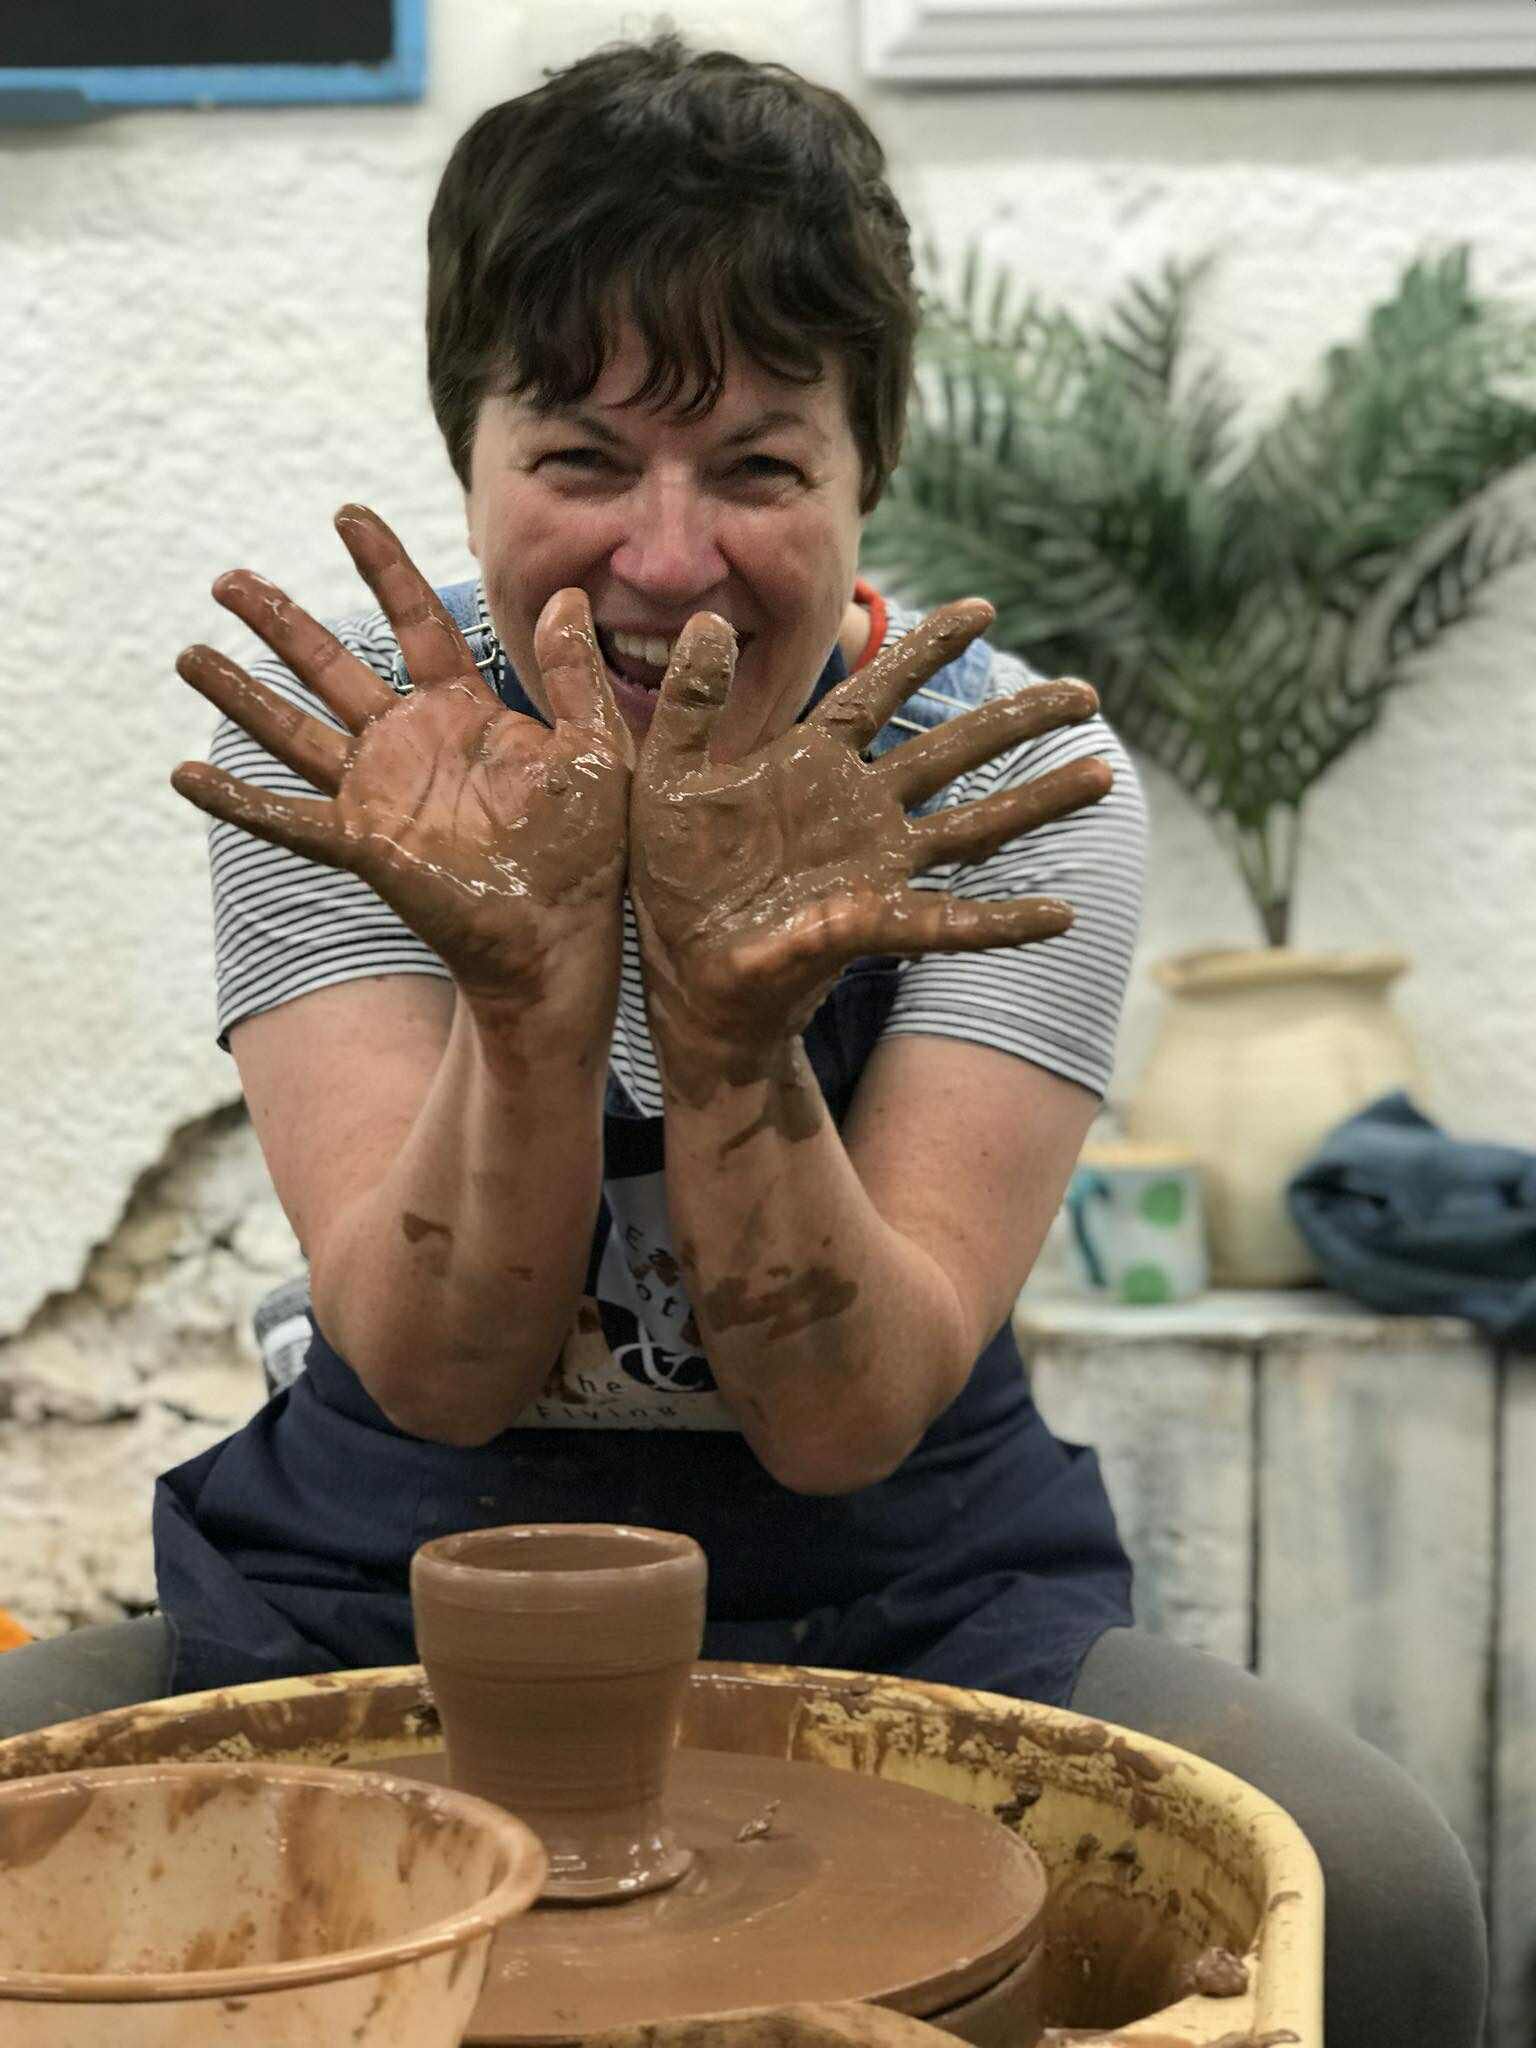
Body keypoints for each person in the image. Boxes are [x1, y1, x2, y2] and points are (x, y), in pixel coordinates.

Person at [1, 34, 1485, 2046]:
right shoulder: (357, 757)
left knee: (1375, 1894)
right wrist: (533, 1004)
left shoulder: (1014, 789)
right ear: (474, 455)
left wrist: (728, 1027)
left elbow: (847, 1414)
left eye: (762, 467)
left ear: (867, 475)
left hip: (917, 1607)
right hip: (378, 1587)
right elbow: (430, 1370)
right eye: (585, 460)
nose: (669, 558)